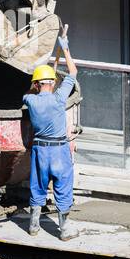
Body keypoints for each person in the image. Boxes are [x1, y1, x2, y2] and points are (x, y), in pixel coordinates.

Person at [24, 29, 78, 240]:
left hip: (40, 150)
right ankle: (64, 230)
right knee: (63, 187)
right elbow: (73, 73)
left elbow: (29, 93)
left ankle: (34, 227)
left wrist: (37, 85)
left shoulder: (30, 101)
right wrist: (64, 48)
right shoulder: (59, 98)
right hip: (59, 150)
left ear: (36, 84)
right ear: (53, 82)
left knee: (37, 186)